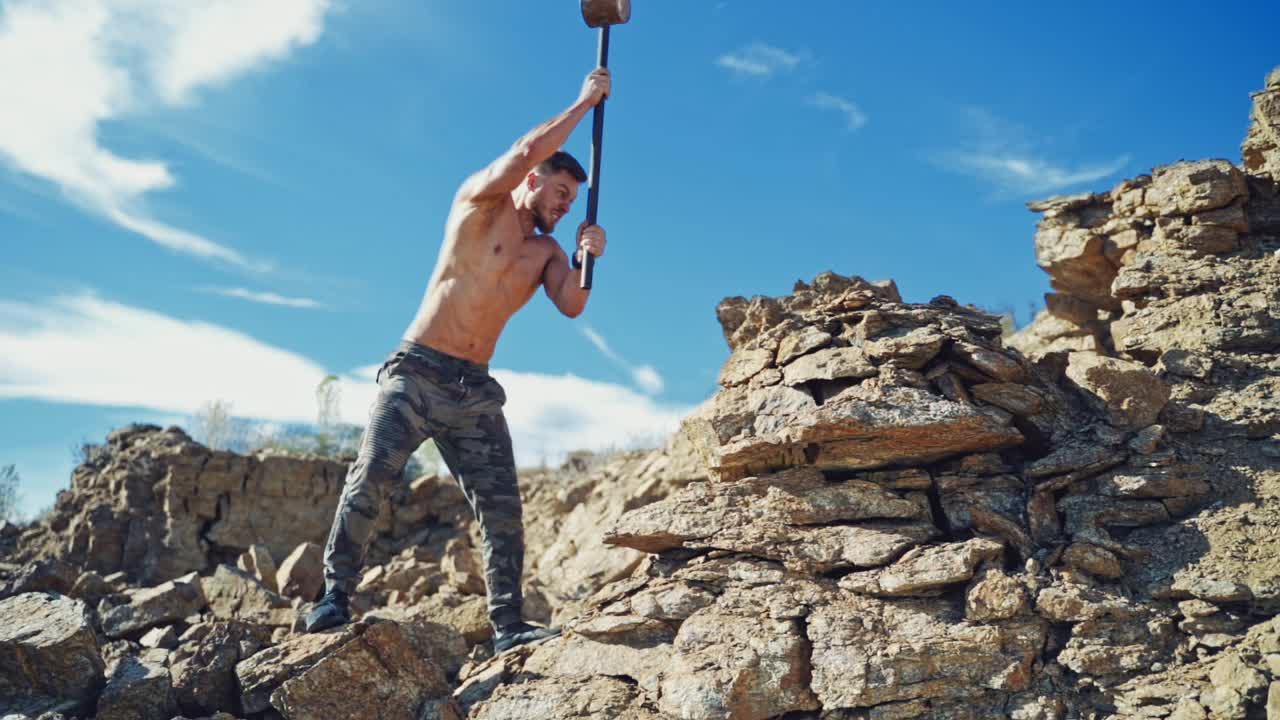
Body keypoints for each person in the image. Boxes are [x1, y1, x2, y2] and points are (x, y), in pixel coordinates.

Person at [304, 67, 612, 653]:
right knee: (370, 478)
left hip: (474, 393)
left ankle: (508, 626)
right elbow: (526, 148)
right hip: (416, 373)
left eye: (574, 201)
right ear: (533, 181)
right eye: (561, 194)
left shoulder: (547, 250)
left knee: (503, 513)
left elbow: (572, 305)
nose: (567, 207)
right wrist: (584, 102)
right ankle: (334, 597)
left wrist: (587, 257)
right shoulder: (481, 202)